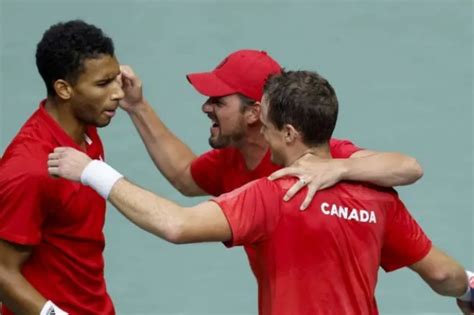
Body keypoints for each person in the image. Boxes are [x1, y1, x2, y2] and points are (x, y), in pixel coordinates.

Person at [48, 70, 473, 315]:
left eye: (266, 125)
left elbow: (175, 224)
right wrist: (468, 290)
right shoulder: (378, 196)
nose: (262, 133)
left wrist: (92, 171)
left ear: (288, 132)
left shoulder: (272, 195)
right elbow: (443, 274)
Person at [119, 49, 424, 211]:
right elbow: (185, 177)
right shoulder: (232, 160)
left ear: (254, 112)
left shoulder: (315, 156)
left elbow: (408, 167)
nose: (205, 107)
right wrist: (137, 107)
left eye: (218, 100)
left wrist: (337, 168)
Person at [0, 20, 123, 314]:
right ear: (64, 89)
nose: (118, 93)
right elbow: (2, 272)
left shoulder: (85, 132)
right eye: (104, 84)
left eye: (116, 78)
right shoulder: (29, 169)